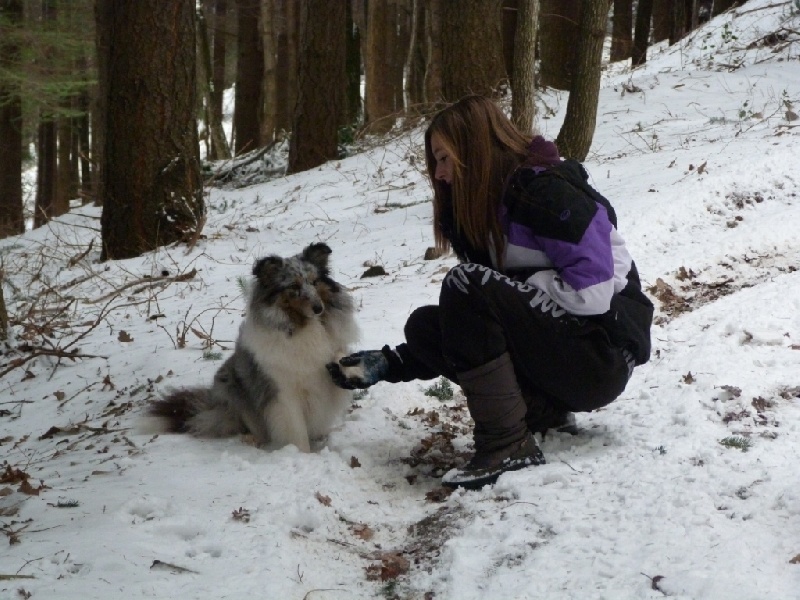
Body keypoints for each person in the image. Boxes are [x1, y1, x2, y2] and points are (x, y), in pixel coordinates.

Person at [327, 95, 653, 489]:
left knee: (467, 286)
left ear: (475, 150)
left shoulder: (548, 192)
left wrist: (524, 285)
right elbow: (479, 324)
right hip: (563, 359)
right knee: (430, 325)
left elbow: (595, 293)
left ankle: (507, 445)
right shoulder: (484, 215)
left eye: (445, 159)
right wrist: (392, 362)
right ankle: (537, 413)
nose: (440, 174)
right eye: (436, 163)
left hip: (600, 358)